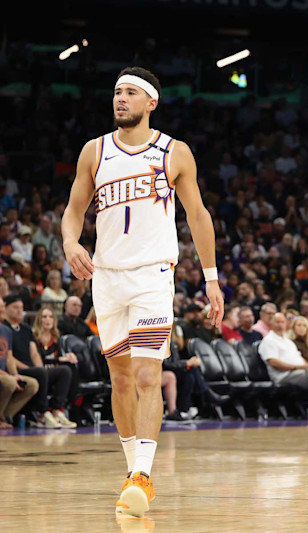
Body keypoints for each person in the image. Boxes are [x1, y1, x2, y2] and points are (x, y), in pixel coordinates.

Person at [61, 67, 224, 517]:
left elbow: (198, 215)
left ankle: (144, 474)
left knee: (149, 376)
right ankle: (134, 473)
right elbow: (74, 210)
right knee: (120, 380)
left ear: (151, 102)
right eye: (116, 92)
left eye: (130, 92)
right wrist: (70, 242)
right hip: (106, 276)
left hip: (152, 275)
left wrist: (211, 278)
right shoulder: (94, 152)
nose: (120, 99)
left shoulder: (174, 152)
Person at [4, 294, 74, 428]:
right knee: (40, 372)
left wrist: (40, 368)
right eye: (15, 308)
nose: (20, 311)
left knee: (64, 371)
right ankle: (42, 413)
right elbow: (9, 356)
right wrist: (35, 369)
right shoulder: (4, 328)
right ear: (5, 308)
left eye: (21, 308)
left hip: (33, 369)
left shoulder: (25, 328)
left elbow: (34, 353)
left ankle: (56, 410)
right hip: (17, 369)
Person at [32, 308, 80, 419]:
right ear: (39, 320)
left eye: (51, 317)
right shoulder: (34, 337)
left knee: (70, 367)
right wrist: (58, 360)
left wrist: (69, 356)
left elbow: (60, 358)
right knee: (64, 370)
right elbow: (38, 360)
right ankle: (47, 411)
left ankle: (61, 408)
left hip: (53, 372)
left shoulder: (56, 337)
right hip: (39, 371)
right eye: (44, 317)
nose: (48, 320)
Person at [0, 298, 39, 427]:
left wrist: (15, 374)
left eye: (2, 306)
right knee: (9, 382)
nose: (2, 309)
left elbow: (9, 357)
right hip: (2, 374)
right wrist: (8, 376)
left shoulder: (6, 331)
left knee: (31, 384)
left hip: (4, 373)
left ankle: (6, 415)